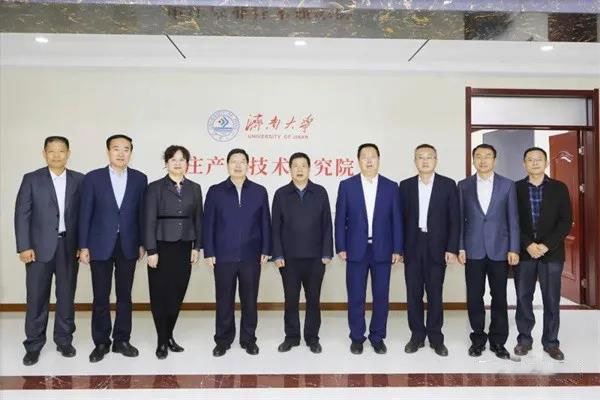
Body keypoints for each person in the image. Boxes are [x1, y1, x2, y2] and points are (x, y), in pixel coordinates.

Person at [15, 136, 84, 366]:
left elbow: (84, 216)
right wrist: (24, 246)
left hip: (69, 247)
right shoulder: (31, 179)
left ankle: (64, 340)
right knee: (36, 298)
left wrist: (82, 244)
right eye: (51, 151)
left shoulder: (79, 180)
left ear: (68, 153)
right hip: (38, 249)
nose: (56, 155)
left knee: (66, 297)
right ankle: (33, 345)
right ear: (44, 154)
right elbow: (22, 214)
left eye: (61, 151)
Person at [79, 134, 147, 363]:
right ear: (108, 151)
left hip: (128, 244)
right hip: (99, 244)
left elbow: (142, 214)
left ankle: (121, 340)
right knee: (100, 296)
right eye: (116, 148)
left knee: (125, 295)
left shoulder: (140, 179)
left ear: (131, 153)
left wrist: (142, 243)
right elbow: (85, 214)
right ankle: (101, 342)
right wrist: (83, 245)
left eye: (126, 149)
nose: (121, 153)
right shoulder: (93, 178)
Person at [335, 143, 403, 355]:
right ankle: (357, 337)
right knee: (356, 296)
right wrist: (341, 246)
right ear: (358, 161)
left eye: (372, 156)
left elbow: (397, 220)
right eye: (364, 156)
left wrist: (397, 249)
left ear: (378, 159)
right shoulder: (347, 186)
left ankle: (377, 337)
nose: (369, 160)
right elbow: (340, 219)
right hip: (355, 249)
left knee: (381, 296)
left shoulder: (391, 186)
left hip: (383, 249)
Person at [203, 148, 271, 357]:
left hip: (251, 255)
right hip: (223, 256)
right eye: (234, 161)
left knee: (250, 300)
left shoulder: (259, 191)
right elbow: (208, 223)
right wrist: (209, 251)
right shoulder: (215, 191)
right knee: (224, 300)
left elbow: (265, 223)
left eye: (242, 161)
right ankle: (223, 340)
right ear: (227, 165)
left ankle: (248, 339)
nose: (238, 165)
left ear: (248, 165)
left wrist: (266, 249)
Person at [458, 143, 520, 360]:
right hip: (473, 249)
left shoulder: (507, 185)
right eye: (478, 156)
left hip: (499, 250)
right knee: (474, 297)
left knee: (499, 297)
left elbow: (513, 219)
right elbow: (460, 219)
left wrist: (514, 248)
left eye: (487, 156)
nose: (483, 160)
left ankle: (498, 341)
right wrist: (460, 246)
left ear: (495, 159)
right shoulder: (463, 185)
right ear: (473, 159)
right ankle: (477, 339)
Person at [399, 144, 459, 357]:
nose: (425, 161)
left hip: (438, 247)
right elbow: (400, 220)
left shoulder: (448, 185)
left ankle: (436, 338)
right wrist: (399, 248)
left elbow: (455, 219)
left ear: (436, 160)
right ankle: (416, 336)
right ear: (414, 161)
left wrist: (452, 247)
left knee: (435, 294)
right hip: (412, 246)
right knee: (413, 294)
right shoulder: (405, 186)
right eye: (420, 157)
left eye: (429, 157)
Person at [144, 145, 203, 359]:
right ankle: (161, 340)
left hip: (184, 246)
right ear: (166, 163)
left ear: (187, 163)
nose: (177, 163)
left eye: (182, 160)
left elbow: (199, 219)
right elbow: (148, 220)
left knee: (177, 292)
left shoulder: (194, 188)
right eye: (173, 159)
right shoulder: (155, 187)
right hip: (161, 247)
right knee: (160, 294)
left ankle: (169, 335)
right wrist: (151, 249)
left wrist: (196, 246)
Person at [514, 147, 572, 361]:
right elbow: (511, 220)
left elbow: (565, 221)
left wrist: (546, 245)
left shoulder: (559, 188)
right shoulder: (516, 188)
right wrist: (528, 244)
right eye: (530, 159)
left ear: (546, 163)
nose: (535, 163)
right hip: (525, 252)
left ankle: (551, 343)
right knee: (523, 297)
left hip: (552, 253)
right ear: (524, 164)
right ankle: (524, 340)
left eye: (539, 159)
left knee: (551, 299)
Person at [272, 152, 333, 354]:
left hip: (316, 258)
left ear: (309, 169)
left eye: (303, 166)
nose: (299, 169)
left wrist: (327, 252)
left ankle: (312, 338)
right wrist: (277, 254)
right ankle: (291, 337)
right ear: (289, 169)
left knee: (313, 300)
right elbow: (275, 227)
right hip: (288, 259)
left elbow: (327, 225)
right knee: (291, 300)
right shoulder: (281, 194)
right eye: (295, 166)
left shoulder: (320, 192)